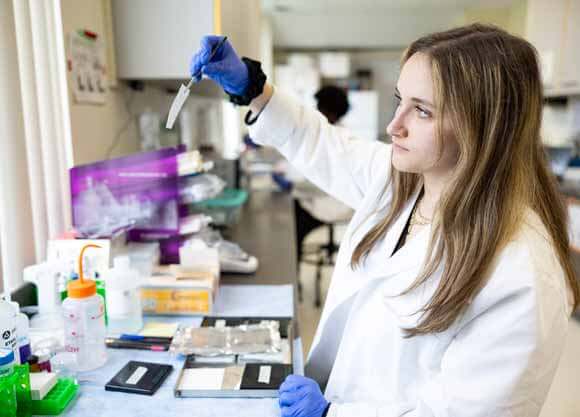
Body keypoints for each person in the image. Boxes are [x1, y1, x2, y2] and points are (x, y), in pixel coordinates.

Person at [190, 24, 580, 417]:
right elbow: (322, 144)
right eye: (400, 100)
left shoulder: (522, 274)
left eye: (422, 111)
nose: (395, 125)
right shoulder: (403, 181)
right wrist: (251, 88)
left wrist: (335, 414)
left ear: (483, 127)